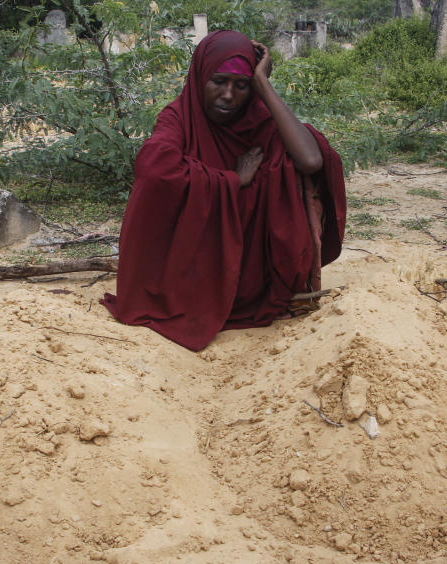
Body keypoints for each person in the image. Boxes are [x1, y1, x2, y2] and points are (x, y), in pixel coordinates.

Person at [102, 30, 346, 351]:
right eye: (218, 81)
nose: (228, 95)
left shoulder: (256, 120)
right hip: (193, 270)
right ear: (201, 76)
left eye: (241, 85)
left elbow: (312, 160)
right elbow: (153, 168)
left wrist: (263, 84)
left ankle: (296, 289)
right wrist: (231, 179)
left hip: (254, 274)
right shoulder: (180, 117)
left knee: (288, 165)